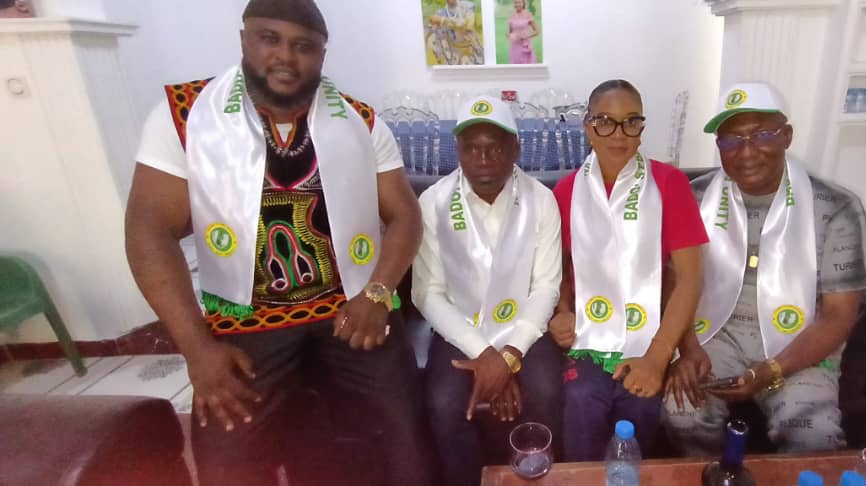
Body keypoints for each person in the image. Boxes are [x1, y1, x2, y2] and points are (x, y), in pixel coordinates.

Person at [125, 1, 434, 484]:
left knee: (405, 436)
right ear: (244, 39)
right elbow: (148, 230)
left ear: (322, 55)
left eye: (303, 46)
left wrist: (378, 293)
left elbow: (405, 215)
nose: (286, 56)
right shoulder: (186, 115)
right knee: (227, 457)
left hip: (351, 307)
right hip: (245, 315)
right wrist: (196, 347)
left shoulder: (360, 120)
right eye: (270, 39)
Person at [662, 82, 866, 455]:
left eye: (762, 135)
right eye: (731, 140)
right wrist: (686, 349)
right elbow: (675, 284)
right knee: (682, 411)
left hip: (800, 343)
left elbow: (839, 314)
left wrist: (774, 370)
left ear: (787, 136)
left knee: (813, 434)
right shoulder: (694, 198)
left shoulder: (837, 207)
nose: (746, 151)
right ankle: (715, 475)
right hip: (714, 336)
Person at [549, 79, 708, 461]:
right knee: (581, 398)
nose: (619, 134)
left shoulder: (669, 184)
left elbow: (689, 279)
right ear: (588, 127)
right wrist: (561, 311)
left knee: (640, 405)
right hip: (589, 335)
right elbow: (557, 270)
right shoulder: (565, 191)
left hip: (650, 336)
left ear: (641, 126)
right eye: (605, 121)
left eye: (631, 121)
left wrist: (658, 357)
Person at [413, 95, 563, 486]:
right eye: (471, 148)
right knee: (444, 402)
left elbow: (546, 287)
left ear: (515, 148)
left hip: (525, 330)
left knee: (547, 390)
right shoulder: (433, 202)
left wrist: (509, 355)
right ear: (458, 150)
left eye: (494, 147)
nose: (482, 158)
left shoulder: (541, 201)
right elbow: (427, 292)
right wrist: (485, 355)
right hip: (461, 328)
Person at [428, 0, 483, 65]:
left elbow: (469, 26)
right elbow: (434, 33)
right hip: (453, 53)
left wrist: (443, 20)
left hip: (471, 49)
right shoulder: (441, 12)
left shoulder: (468, 6)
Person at [507, 0, 539, 64]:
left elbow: (537, 31)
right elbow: (510, 33)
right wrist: (510, 36)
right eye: (515, 2)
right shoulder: (511, 17)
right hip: (515, 47)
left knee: (528, 67)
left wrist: (526, 36)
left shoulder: (528, 15)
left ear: (523, 3)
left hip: (525, 46)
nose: (517, 4)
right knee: (515, 67)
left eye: (519, 2)